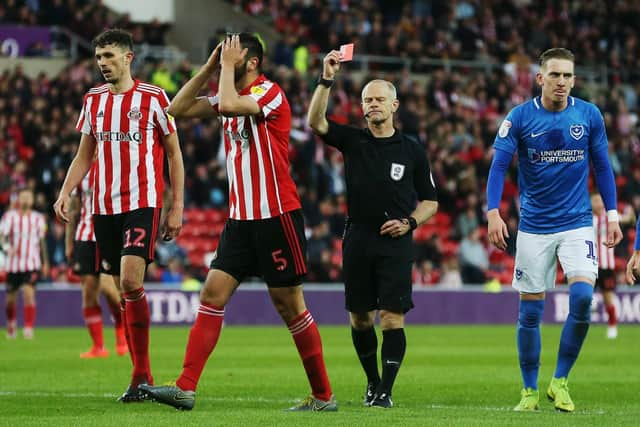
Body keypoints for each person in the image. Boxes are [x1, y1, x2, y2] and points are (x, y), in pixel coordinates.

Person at [139, 33, 336, 412]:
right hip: (241, 221)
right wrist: (211, 67)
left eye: (234, 52)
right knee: (211, 295)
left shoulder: (270, 93)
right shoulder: (228, 86)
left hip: (277, 216)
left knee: (290, 306)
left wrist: (225, 71)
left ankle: (323, 395)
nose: (227, 56)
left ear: (252, 62)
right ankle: (185, 387)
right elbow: (176, 109)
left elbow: (229, 104)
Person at [486, 48, 622, 412]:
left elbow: (603, 167)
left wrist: (611, 215)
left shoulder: (589, 115)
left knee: (582, 299)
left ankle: (560, 381)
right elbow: (498, 167)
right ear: (541, 78)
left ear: (574, 79)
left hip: (577, 223)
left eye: (568, 76)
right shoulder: (519, 118)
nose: (562, 82)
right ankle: (529, 390)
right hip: (534, 227)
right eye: (556, 75)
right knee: (530, 312)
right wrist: (492, 212)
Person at [53, 29, 184, 402]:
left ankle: (141, 374)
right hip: (103, 208)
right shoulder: (93, 100)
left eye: (109, 56)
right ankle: (139, 373)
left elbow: (174, 154)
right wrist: (65, 191)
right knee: (122, 287)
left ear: (128, 58)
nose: (102, 64)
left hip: (142, 202)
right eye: (98, 58)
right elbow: (84, 155)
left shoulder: (154, 97)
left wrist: (175, 207)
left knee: (128, 281)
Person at [307, 51, 438, 408]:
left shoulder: (412, 150)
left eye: (380, 98)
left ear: (394, 105)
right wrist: (326, 78)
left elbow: (431, 201)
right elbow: (315, 122)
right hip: (358, 237)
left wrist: (409, 222)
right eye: (367, 99)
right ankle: (372, 381)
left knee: (392, 316)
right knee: (360, 317)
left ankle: (386, 392)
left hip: (396, 240)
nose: (373, 104)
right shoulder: (353, 140)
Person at [65, 165, 128, 358]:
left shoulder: (115, 166)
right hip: (84, 237)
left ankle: (122, 337)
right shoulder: (81, 172)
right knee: (89, 292)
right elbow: (74, 210)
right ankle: (98, 347)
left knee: (110, 290)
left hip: (108, 236)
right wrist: (69, 242)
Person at [0, 188, 49, 339]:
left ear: (32, 200)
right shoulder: (9, 217)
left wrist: (45, 262)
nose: (26, 200)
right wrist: (8, 248)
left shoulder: (38, 218)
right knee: (10, 299)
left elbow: (42, 242)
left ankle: (28, 328)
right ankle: (11, 324)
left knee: (29, 294)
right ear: (18, 200)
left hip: (31, 264)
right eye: (23, 197)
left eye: (29, 197)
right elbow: (2, 237)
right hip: (13, 265)